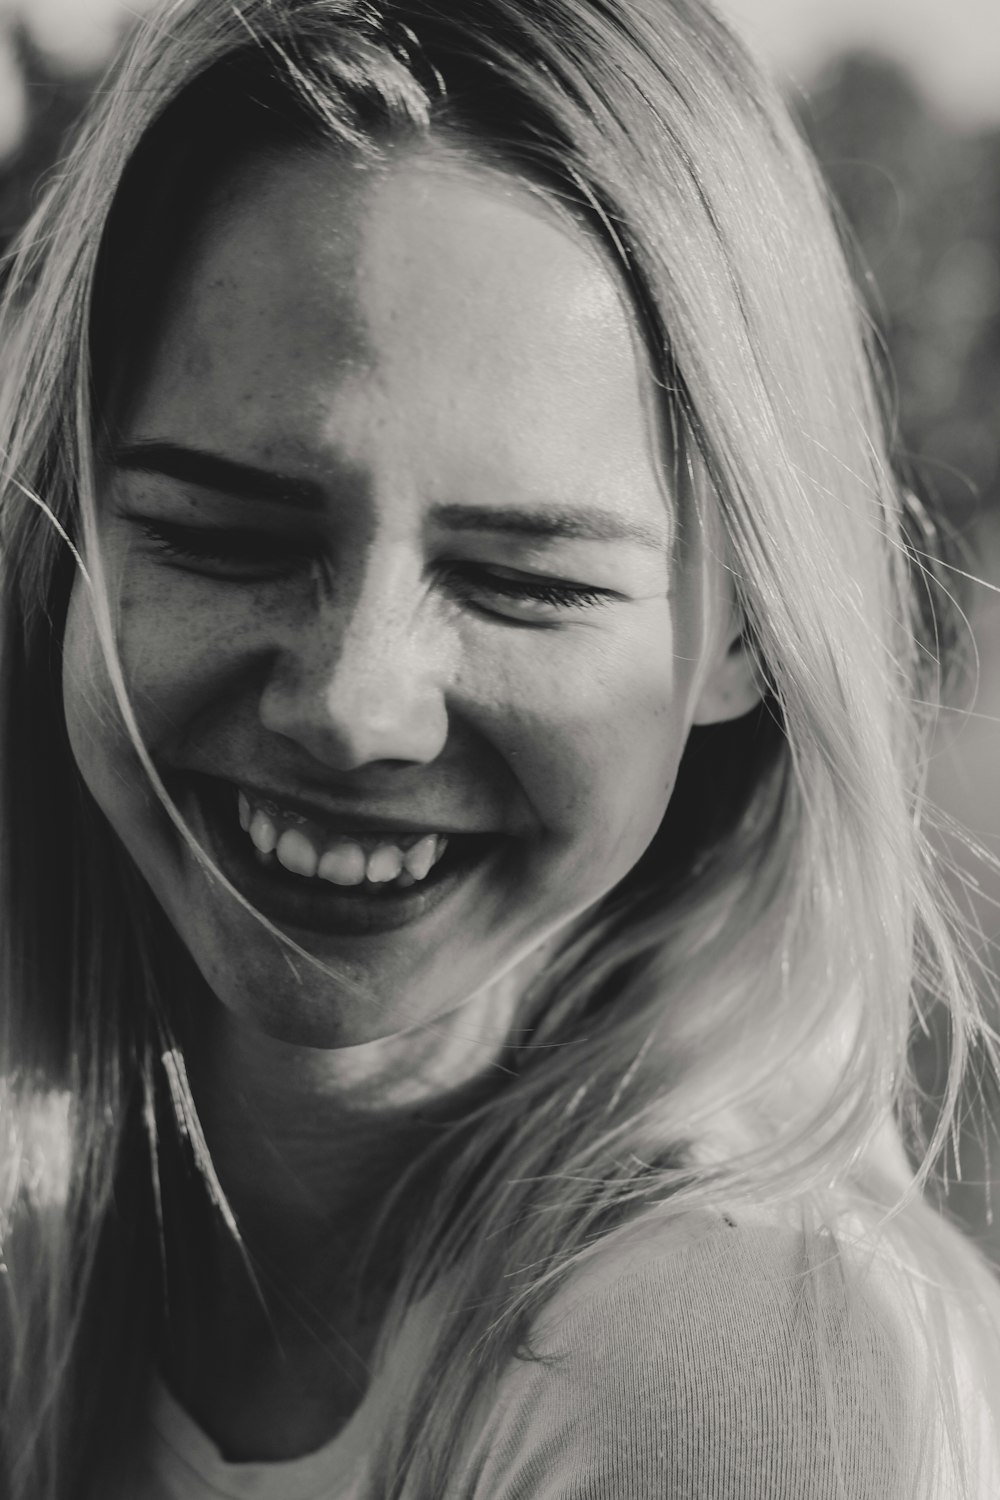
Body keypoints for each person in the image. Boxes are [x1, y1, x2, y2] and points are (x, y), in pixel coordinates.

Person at [1, 0, 998, 1495]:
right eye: (226, 531)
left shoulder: (732, 1378)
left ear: (744, 632)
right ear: (62, 531)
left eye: (523, 581)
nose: (355, 703)